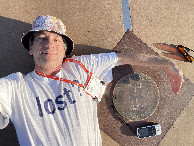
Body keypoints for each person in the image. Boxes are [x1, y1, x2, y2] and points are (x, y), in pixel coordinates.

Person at [0, 15, 183, 146]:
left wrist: (166, 62)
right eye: (41, 38)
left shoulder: (80, 67)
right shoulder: (15, 87)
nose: (49, 44)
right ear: (30, 47)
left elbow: (124, 58)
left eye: (56, 39)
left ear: (65, 51)